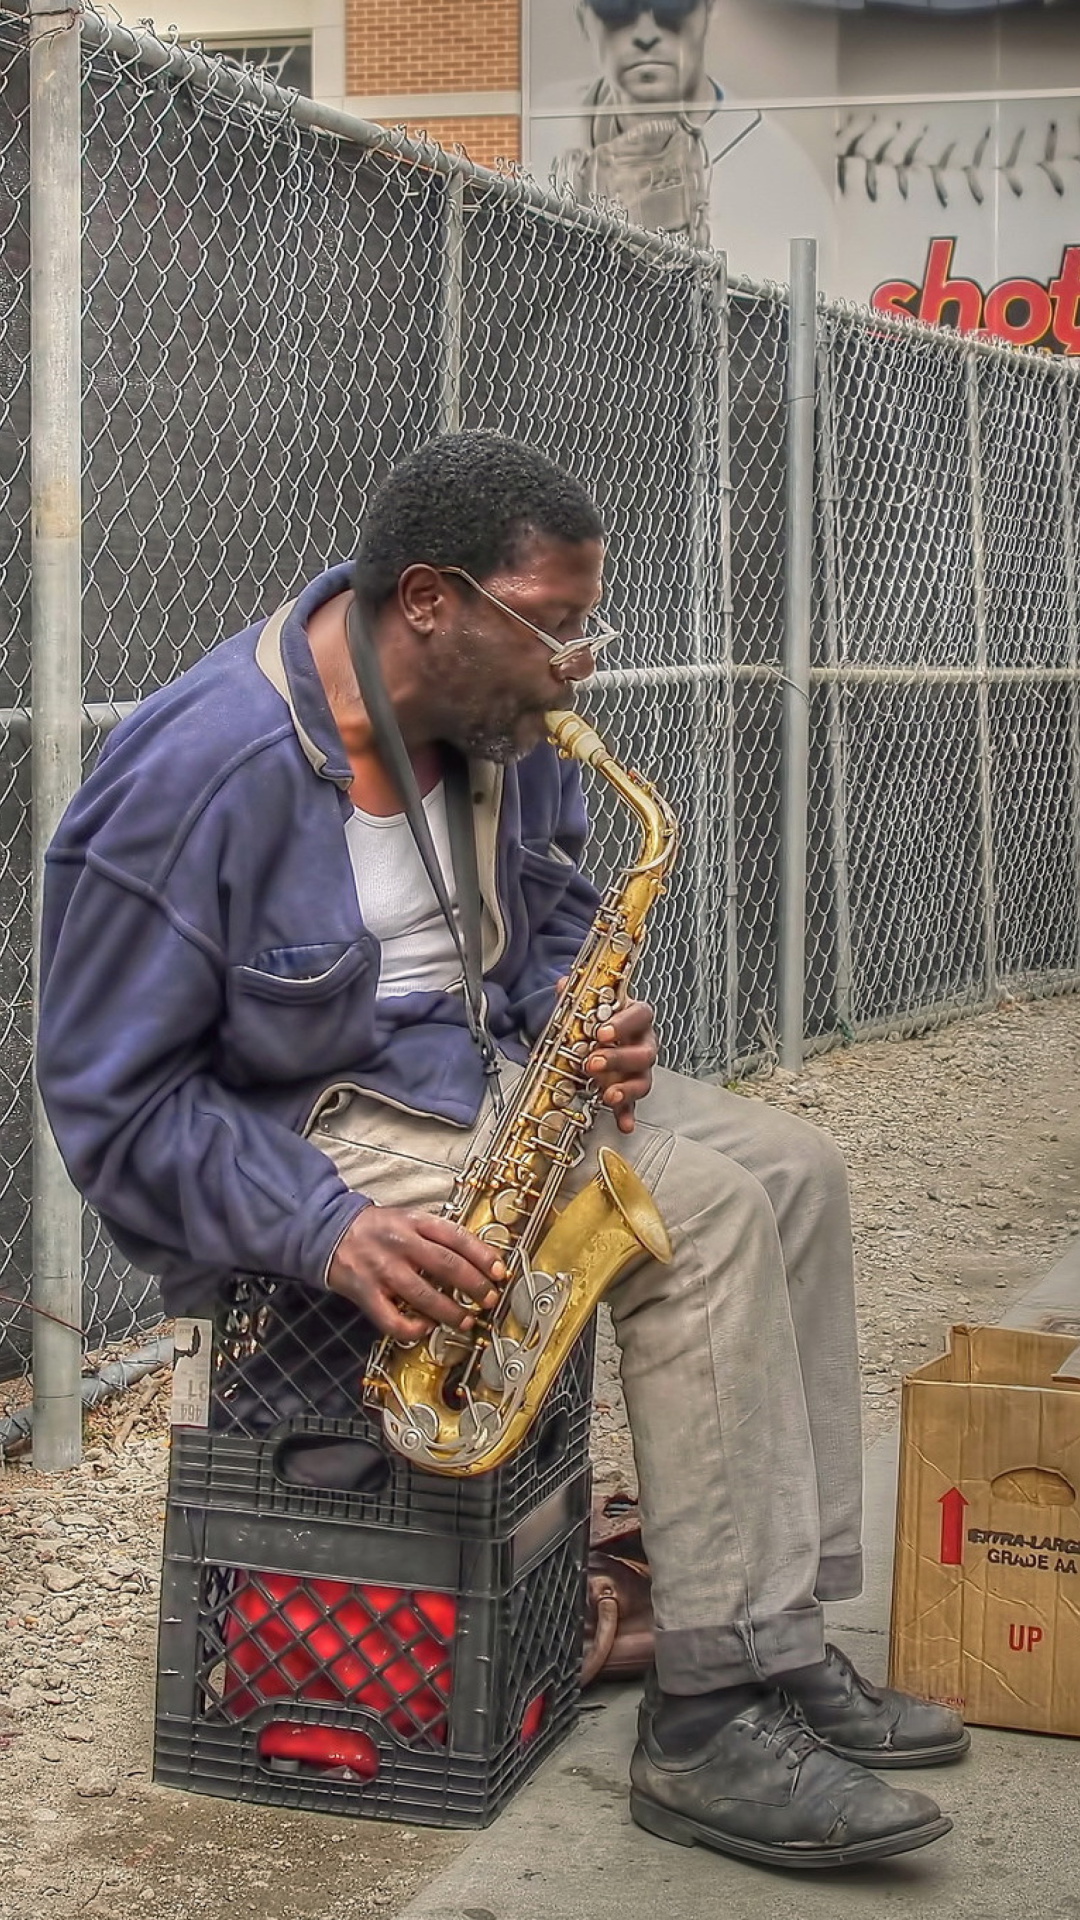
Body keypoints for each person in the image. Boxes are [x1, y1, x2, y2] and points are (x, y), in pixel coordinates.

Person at [37, 431, 967, 1873]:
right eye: (555, 622)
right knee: (698, 1220)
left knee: (795, 1175)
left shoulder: (499, 723)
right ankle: (708, 1721)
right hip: (317, 1135)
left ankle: (777, 1642)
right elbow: (110, 1096)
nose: (576, 661)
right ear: (429, 600)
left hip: (485, 1075)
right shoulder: (198, 769)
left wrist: (584, 1024)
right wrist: (321, 1226)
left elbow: (544, 928)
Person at [550, 0, 836, 284]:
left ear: (708, 9)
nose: (646, 32)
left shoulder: (784, 175)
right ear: (583, 19)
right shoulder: (548, 126)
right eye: (617, 8)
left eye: (671, 6)